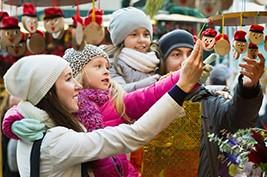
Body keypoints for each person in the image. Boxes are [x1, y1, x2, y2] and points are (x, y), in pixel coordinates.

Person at [2, 42, 202, 177]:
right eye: (69, 79)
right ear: (48, 92)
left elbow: (143, 97)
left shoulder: (33, 128)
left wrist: (13, 119)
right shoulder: (55, 142)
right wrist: (182, 86)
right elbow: (136, 134)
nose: (78, 86)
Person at [157, 29, 264, 177]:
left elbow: (240, 120)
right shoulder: (149, 102)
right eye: (176, 54)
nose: (186, 61)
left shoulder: (208, 101)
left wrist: (248, 89)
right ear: (162, 63)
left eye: (191, 54)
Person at [106, 7, 160, 92]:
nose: (142, 40)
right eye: (134, 35)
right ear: (121, 39)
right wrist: (153, 82)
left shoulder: (157, 60)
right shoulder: (111, 63)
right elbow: (119, 92)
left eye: (146, 34)